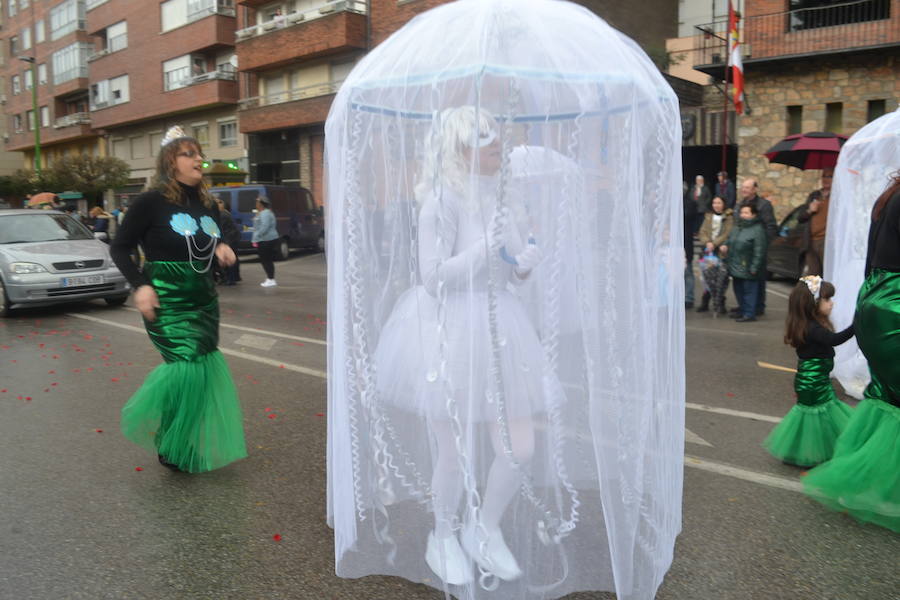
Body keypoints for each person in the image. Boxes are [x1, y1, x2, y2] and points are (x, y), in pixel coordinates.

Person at [374, 107, 547, 585]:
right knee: (454, 452)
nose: (498, 146)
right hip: (449, 330)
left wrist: (525, 264)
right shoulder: (441, 202)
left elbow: (511, 269)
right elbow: (432, 278)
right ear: (461, 149)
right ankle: (443, 534)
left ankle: (484, 529)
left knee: (521, 447)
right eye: (487, 139)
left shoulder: (505, 200)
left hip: (501, 327)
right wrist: (482, 250)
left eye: (498, 137)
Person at [109, 125, 246, 473]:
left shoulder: (206, 203)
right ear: (171, 161)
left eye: (198, 153)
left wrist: (223, 247)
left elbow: (219, 234)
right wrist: (140, 285)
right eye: (189, 153)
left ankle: (179, 441)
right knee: (184, 367)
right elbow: (120, 246)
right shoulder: (149, 202)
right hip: (167, 296)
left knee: (199, 371)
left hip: (202, 295)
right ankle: (172, 443)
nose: (198, 158)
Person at [803, 171, 900, 532]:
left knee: (887, 395)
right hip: (894, 303)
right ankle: (873, 486)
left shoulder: (889, 196)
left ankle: (868, 481)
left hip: (877, 298)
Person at [763, 276, 854, 467]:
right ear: (813, 304)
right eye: (827, 299)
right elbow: (834, 340)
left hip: (815, 378)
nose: (831, 303)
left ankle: (805, 450)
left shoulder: (811, 325)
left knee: (815, 415)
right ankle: (810, 453)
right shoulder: (812, 328)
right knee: (815, 415)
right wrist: (857, 326)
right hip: (812, 380)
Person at [730, 177, 776, 317]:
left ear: (755, 189)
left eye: (747, 188)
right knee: (741, 279)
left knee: (756, 278)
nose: (744, 190)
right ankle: (744, 307)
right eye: (743, 187)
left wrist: (761, 243)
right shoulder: (739, 205)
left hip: (756, 246)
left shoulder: (764, 205)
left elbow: (771, 226)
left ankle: (757, 307)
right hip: (742, 248)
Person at [722, 202, 766, 322]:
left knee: (749, 291)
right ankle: (742, 310)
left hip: (748, 266)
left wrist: (754, 267)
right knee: (738, 290)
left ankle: (749, 313)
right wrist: (725, 245)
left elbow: (759, 250)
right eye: (742, 212)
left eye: (746, 212)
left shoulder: (758, 230)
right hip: (735, 265)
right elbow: (730, 239)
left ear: (754, 215)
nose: (743, 215)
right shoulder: (737, 227)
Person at [696, 196, 733, 313]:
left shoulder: (729, 218)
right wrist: (707, 242)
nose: (716, 205)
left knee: (721, 279)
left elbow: (728, 233)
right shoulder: (708, 217)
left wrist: (714, 243)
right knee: (707, 278)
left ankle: (720, 302)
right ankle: (705, 301)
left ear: (724, 204)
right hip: (708, 252)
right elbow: (702, 231)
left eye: (719, 203)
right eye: (714, 202)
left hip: (720, 252)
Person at [796, 168, 833, 277]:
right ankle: (813, 295)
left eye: (829, 176)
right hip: (811, 241)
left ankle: (825, 295)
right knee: (812, 278)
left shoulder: (837, 196)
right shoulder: (814, 195)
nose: (825, 179)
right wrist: (809, 210)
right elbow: (800, 217)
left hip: (826, 241)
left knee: (827, 275)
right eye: (824, 176)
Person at [215, 196, 241, 285]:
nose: (216, 204)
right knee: (233, 258)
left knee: (228, 259)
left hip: (230, 239)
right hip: (232, 238)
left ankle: (231, 279)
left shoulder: (222, 214)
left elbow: (220, 229)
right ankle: (234, 277)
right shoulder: (225, 213)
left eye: (219, 202)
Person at [252, 196, 278, 287]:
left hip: (266, 239)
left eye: (257, 202)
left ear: (261, 204)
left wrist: (257, 235)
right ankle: (270, 278)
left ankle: (271, 279)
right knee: (266, 259)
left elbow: (264, 226)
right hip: (265, 239)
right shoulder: (262, 213)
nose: (256, 204)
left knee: (266, 260)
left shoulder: (265, 213)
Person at [683, 190, 697, 308]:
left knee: (687, 272)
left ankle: (688, 297)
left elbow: (688, 215)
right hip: (670, 244)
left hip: (686, 243)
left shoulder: (689, 204)